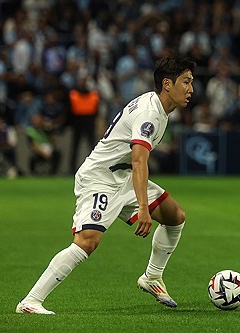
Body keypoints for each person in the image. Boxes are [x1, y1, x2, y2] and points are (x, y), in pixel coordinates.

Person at [16, 55, 196, 314]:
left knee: (175, 217)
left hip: (121, 177)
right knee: (87, 241)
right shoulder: (150, 114)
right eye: (186, 82)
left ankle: (152, 277)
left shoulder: (159, 108)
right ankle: (31, 301)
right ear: (167, 84)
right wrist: (143, 207)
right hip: (100, 178)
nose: (191, 89)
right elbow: (139, 161)